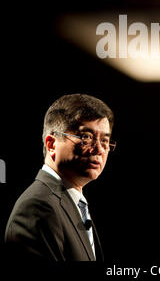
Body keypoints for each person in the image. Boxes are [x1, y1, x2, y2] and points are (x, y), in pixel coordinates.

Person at [4, 93, 116, 262]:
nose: (99, 149)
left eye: (105, 141)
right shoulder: (38, 207)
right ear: (51, 145)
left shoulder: (73, 202)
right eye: (86, 137)